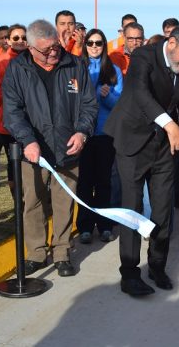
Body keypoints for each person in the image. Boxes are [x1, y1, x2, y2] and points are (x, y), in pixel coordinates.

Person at [104, 22, 179, 297]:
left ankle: (157, 266)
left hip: (163, 147)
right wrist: (172, 126)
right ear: (171, 43)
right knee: (133, 210)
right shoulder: (143, 57)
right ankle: (129, 273)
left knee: (163, 209)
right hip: (132, 141)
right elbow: (140, 94)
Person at [3, 19, 98, 277]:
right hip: (33, 151)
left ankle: (62, 252)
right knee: (32, 202)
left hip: (68, 148)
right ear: (31, 49)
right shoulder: (17, 69)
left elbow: (89, 105)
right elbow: (12, 112)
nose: (54, 53)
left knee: (63, 202)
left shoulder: (75, 65)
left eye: (56, 46)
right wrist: (27, 140)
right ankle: (35, 253)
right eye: (46, 50)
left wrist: (82, 132)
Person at [76, 29, 123, 244]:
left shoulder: (113, 70)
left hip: (105, 133)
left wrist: (108, 95)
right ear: (84, 45)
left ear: (104, 46)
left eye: (99, 43)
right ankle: (85, 226)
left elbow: (118, 104)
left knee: (104, 182)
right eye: (90, 43)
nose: (94, 47)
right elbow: (73, 101)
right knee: (84, 182)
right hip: (83, 133)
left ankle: (104, 225)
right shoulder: (76, 68)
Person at [0, 24, 28, 193]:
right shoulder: (0, 62)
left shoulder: (35, 60)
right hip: (9, 123)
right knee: (14, 166)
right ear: (9, 41)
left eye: (24, 38)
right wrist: (19, 101)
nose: (20, 41)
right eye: (15, 38)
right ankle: (19, 206)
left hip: (34, 122)